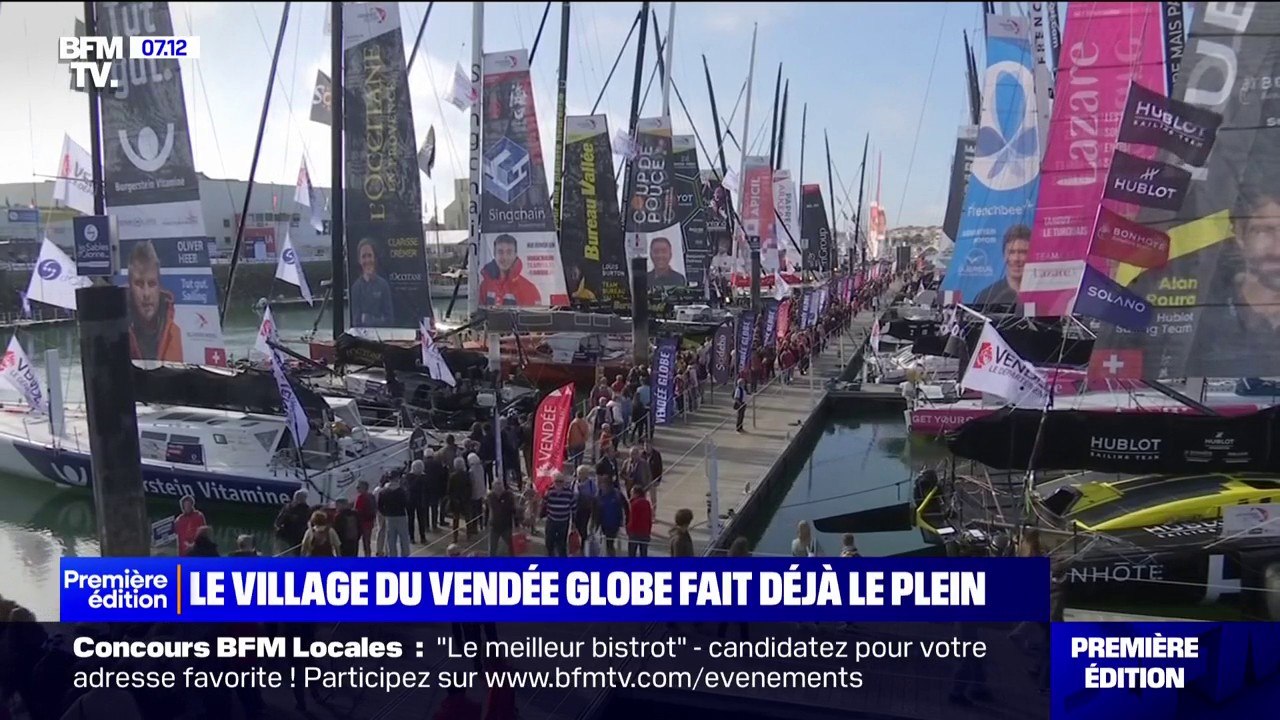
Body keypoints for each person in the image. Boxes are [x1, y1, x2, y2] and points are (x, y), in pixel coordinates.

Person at [126, 240, 184, 362]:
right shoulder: (118, 332)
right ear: (130, 286)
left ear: (159, 287)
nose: (146, 294)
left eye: (152, 284)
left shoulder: (174, 333)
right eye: (139, 284)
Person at [970, 224, 1031, 309]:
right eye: (1011, 252)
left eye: (1023, 252)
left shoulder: (1046, 295)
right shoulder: (986, 297)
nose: (1016, 259)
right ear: (1004, 256)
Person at [479, 234, 542, 306]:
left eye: (509, 252)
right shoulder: (485, 285)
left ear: (515, 255)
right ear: (494, 254)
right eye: (500, 252)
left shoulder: (529, 289)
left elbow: (532, 316)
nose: (504, 257)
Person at [349, 238, 395, 326]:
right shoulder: (355, 288)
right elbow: (356, 322)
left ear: (375, 258)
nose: (367, 260)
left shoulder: (383, 285)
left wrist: (368, 319)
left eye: (370, 255)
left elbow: (389, 320)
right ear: (359, 260)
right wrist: (379, 320)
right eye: (364, 256)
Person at [543, 472, 576, 557]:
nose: (559, 483)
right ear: (553, 482)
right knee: (549, 542)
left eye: (561, 481)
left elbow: (573, 508)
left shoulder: (569, 493)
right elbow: (544, 505)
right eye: (557, 481)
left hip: (563, 521)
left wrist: (573, 523)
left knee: (562, 544)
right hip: (552, 520)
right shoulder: (549, 492)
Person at [377, 474, 411, 557]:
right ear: (397, 479)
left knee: (391, 539)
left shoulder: (383, 491)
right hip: (401, 515)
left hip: (389, 517)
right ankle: (405, 556)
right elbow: (407, 503)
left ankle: (392, 556)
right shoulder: (402, 491)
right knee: (404, 538)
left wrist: (385, 513)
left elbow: (379, 506)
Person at [595, 477, 628, 557]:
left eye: (604, 484)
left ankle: (611, 558)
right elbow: (595, 509)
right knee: (604, 543)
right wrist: (595, 524)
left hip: (614, 523)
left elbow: (626, 506)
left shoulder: (617, 494)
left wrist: (626, 520)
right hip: (603, 523)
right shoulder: (599, 494)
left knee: (609, 543)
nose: (603, 486)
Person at [274, 490, 311, 556]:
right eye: (303, 497)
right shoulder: (288, 507)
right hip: (287, 537)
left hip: (298, 539)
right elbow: (279, 521)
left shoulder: (306, 509)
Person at [486, 475, 516, 557]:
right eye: (496, 488)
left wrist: (516, 525)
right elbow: (488, 510)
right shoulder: (490, 496)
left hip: (506, 526)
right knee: (492, 549)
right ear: (493, 489)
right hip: (494, 526)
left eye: (500, 488)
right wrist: (486, 523)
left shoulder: (509, 496)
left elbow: (513, 510)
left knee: (512, 548)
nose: (499, 491)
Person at [627, 485, 653, 557]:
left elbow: (632, 519)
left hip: (634, 532)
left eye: (632, 492)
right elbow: (649, 518)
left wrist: (628, 529)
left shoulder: (634, 504)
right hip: (645, 532)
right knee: (644, 554)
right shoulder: (647, 503)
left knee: (632, 554)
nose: (630, 494)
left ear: (636, 493)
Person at [353, 480, 377, 556]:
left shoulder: (360, 497)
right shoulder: (371, 496)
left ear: (363, 488)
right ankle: (368, 557)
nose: (357, 489)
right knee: (367, 542)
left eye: (358, 487)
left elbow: (357, 511)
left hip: (361, 523)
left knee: (355, 542)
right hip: (369, 522)